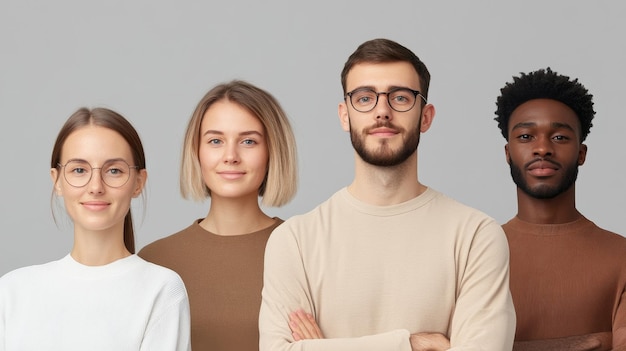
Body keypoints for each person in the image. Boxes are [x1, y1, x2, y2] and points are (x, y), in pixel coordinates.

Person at [258, 38, 516, 351]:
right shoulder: (294, 241)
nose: (383, 111)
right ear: (344, 115)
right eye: (365, 98)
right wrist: (408, 343)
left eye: (401, 97)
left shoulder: (476, 236)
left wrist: (326, 347)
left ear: (425, 116)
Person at [0, 107, 191, 351]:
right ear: (57, 180)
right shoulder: (12, 292)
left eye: (114, 171)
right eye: (79, 170)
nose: (96, 186)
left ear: (138, 183)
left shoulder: (162, 289)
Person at [138, 80, 298, 350]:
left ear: (273, 151)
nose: (230, 156)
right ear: (196, 151)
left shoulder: (303, 250)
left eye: (248, 141)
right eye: (215, 141)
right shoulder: (154, 262)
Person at [494, 67, 626, 351]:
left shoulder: (621, 257)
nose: (542, 148)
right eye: (526, 137)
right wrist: (588, 342)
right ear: (508, 153)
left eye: (560, 137)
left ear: (581, 154)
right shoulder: (473, 253)